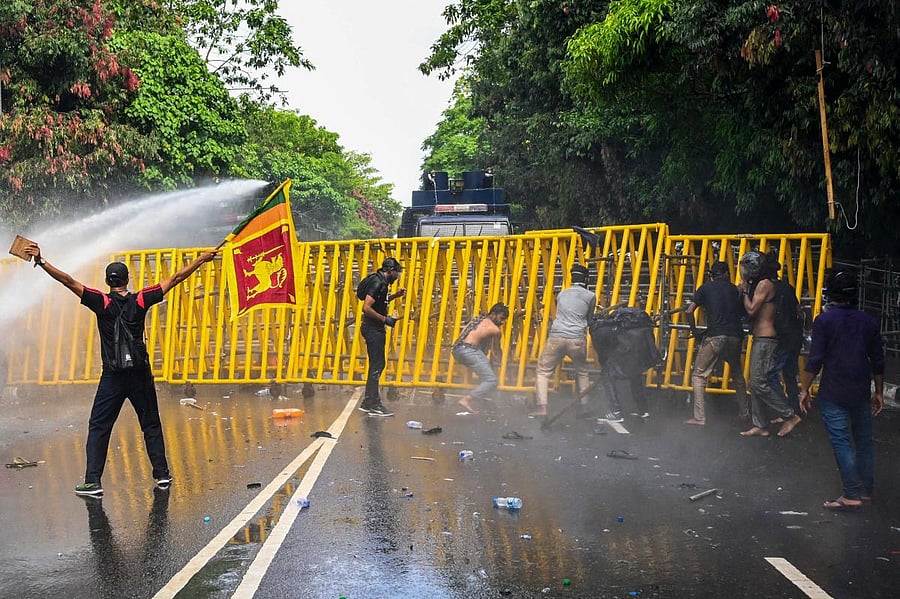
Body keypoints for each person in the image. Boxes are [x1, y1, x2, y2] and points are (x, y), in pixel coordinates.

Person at [25, 242, 217, 496]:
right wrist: (202, 259)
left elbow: (68, 281)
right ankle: (162, 475)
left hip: (113, 376)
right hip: (140, 373)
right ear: (128, 279)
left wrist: (42, 262)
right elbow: (177, 277)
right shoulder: (141, 299)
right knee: (150, 424)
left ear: (107, 281)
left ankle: (93, 481)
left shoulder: (101, 302)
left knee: (99, 426)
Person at [799, 268, 884, 511]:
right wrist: (878, 391)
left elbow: (815, 360)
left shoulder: (824, 321)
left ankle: (850, 494)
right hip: (860, 389)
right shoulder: (868, 321)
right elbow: (877, 360)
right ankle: (865, 490)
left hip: (833, 390)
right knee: (864, 441)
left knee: (841, 441)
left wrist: (804, 389)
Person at [738, 250, 801, 437]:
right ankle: (760, 424)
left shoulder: (765, 284)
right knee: (755, 382)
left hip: (766, 340)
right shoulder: (763, 284)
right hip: (761, 338)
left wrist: (742, 291)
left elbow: (751, 309)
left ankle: (790, 414)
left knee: (759, 383)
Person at [684, 261, 749, 426]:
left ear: (712, 275)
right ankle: (744, 413)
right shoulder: (735, 290)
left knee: (699, 375)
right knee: (737, 375)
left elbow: (689, 310)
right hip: (735, 336)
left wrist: (695, 331)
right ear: (726, 273)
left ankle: (699, 417)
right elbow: (744, 313)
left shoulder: (705, 288)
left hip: (715, 335)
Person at [531, 264, 596, 419]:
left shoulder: (562, 294)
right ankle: (584, 407)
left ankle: (542, 407)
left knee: (543, 371)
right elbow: (590, 319)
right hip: (577, 338)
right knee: (582, 371)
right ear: (586, 279)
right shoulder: (590, 296)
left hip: (557, 336)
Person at [357, 257, 406, 417]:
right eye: (396, 273)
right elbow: (367, 307)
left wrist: (396, 296)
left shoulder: (381, 283)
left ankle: (367, 402)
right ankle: (374, 404)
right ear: (390, 271)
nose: (397, 276)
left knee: (377, 365)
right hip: (373, 329)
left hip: (374, 328)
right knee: (377, 365)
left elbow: (380, 302)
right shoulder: (378, 283)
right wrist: (385, 319)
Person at [451, 303, 509, 413]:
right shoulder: (495, 330)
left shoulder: (478, 318)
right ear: (493, 314)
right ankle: (466, 399)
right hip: (469, 351)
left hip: (456, 350)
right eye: (501, 318)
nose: (502, 322)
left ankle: (483, 399)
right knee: (492, 380)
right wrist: (504, 365)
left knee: (486, 373)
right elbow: (496, 350)